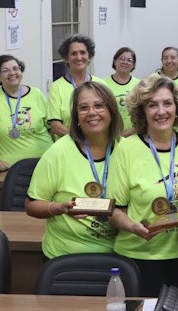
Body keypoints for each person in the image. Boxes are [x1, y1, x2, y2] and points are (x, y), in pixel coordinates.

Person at [108, 75, 178, 296]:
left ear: (177, 108)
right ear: (142, 111)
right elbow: (115, 211)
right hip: (140, 256)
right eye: (152, 105)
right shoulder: (126, 149)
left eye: (167, 103)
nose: (161, 111)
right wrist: (133, 226)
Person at [25, 81, 123, 259]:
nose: (91, 112)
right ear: (76, 115)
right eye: (83, 108)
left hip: (119, 253)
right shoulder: (58, 152)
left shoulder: (127, 150)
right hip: (66, 256)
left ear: (112, 110)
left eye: (99, 105)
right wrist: (59, 208)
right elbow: (31, 206)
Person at [0, 55, 52, 170]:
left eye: (15, 68)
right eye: (5, 70)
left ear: (21, 72)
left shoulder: (36, 94)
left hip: (45, 161)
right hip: (11, 168)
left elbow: (51, 128)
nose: (12, 73)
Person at [48, 35, 105, 139]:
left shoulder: (101, 84)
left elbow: (109, 117)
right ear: (66, 58)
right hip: (69, 144)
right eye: (73, 53)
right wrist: (84, 139)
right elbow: (56, 126)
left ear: (89, 56)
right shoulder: (56, 87)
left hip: (99, 142)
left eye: (83, 52)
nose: (79, 57)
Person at [104, 47, 139, 137]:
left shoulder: (139, 85)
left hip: (134, 134)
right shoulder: (103, 84)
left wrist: (130, 132)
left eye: (129, 60)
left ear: (133, 65)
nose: (125, 62)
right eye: (122, 59)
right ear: (115, 61)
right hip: (109, 134)